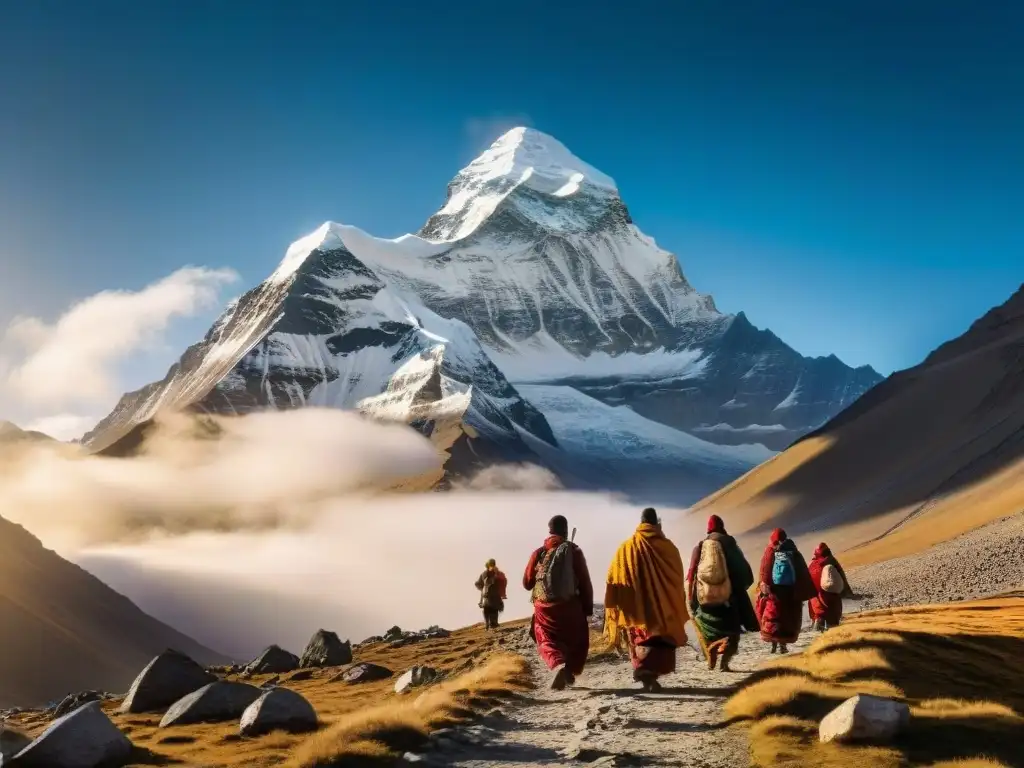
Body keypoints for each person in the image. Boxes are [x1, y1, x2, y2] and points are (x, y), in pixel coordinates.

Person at [604, 508, 689, 692]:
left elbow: (613, 577)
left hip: (636, 610)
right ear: (657, 523)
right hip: (662, 609)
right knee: (659, 640)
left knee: (640, 638)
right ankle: (651, 674)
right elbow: (677, 577)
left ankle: (644, 672)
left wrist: (615, 601)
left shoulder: (625, 548)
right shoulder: (668, 548)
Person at [524, 515, 594, 690]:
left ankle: (559, 665)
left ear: (549, 531)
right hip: (570, 605)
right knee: (577, 639)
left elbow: (527, 583)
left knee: (545, 637)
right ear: (565, 530)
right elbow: (584, 582)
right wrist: (586, 608)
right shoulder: (573, 550)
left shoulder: (539, 553)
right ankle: (569, 671)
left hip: (543, 609)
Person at [686, 514, 758, 672]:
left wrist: (693, 597)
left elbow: (691, 573)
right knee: (732, 632)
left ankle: (712, 646)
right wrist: (742, 585)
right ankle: (724, 663)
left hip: (704, 597)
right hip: (728, 598)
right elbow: (741, 569)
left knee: (707, 629)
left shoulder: (700, 545)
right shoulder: (728, 543)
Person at [755, 528, 815, 653]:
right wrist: (803, 591)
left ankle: (773, 645)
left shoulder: (770, 551)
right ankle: (783, 646)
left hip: (774, 592)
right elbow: (802, 572)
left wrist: (763, 589)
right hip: (791, 592)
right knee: (788, 618)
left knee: (774, 617)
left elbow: (764, 572)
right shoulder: (793, 551)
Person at [807, 543, 853, 632]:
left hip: (815, 600)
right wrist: (847, 592)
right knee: (832, 621)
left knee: (818, 618)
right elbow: (841, 577)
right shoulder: (832, 562)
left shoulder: (812, 565)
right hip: (831, 599)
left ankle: (816, 632)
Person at [475, 559, 508, 630]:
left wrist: (496, 575)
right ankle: (488, 624)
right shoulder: (484, 574)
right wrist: (482, 589)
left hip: (495, 595)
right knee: (487, 609)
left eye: (493, 565)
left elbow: (503, 580)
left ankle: (493, 624)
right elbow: (478, 583)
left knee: (494, 609)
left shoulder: (498, 573)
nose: (492, 566)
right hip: (486, 596)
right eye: (491, 565)